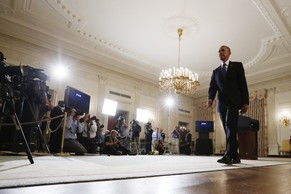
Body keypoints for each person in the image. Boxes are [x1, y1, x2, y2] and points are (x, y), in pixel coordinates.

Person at [208, 45, 249, 164]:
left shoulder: (237, 65)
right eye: (219, 51)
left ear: (229, 53)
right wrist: (210, 98)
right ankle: (235, 156)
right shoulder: (215, 71)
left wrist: (245, 102)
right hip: (221, 104)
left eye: (223, 50)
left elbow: (243, 84)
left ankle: (228, 155)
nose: (220, 52)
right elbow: (212, 87)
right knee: (228, 130)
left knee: (230, 126)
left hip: (234, 102)